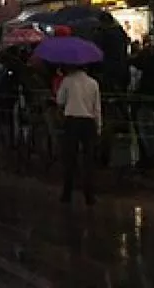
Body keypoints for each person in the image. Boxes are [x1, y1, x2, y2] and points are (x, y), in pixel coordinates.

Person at [57, 64, 101, 205]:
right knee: (88, 159)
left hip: (72, 120)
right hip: (88, 122)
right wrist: (98, 127)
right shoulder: (93, 83)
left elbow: (60, 100)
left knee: (70, 158)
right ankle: (89, 194)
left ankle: (67, 193)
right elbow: (97, 108)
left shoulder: (67, 81)